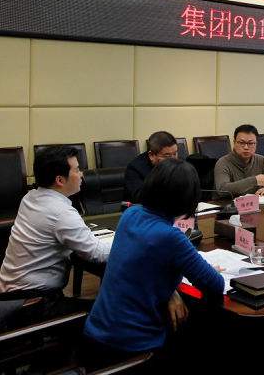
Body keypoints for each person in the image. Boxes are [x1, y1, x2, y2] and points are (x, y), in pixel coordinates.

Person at [81, 159, 225, 371]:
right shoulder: (171, 237)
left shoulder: (130, 215)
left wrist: (171, 291)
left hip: (94, 340)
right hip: (133, 351)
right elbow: (215, 285)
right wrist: (207, 271)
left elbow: (142, 266)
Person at [0, 146, 110, 319]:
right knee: (109, 313)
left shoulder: (30, 197)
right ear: (60, 180)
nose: (81, 174)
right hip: (31, 306)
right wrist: (128, 242)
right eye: (77, 170)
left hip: (6, 299)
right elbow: (98, 254)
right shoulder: (61, 212)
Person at [214, 124, 264, 196]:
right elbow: (222, 189)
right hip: (227, 203)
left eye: (250, 143)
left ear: (256, 144)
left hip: (253, 203)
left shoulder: (260, 160)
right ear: (234, 143)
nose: (246, 147)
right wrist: (254, 181)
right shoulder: (223, 162)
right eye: (241, 143)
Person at [124, 131, 178, 203]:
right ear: (151, 155)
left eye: (175, 153)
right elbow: (140, 198)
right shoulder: (135, 169)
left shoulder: (179, 163)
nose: (173, 159)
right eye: (167, 156)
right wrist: (163, 172)